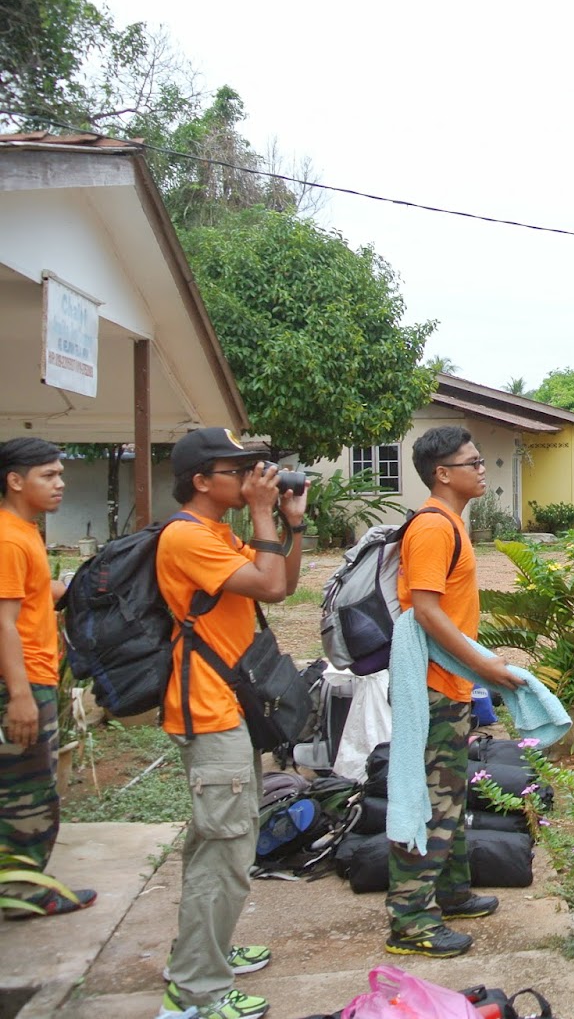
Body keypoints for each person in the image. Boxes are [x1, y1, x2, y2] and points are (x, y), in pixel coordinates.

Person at [156, 428, 305, 1019]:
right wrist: (265, 513)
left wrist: (287, 523)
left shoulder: (217, 533)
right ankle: (195, 991)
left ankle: (201, 955)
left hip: (229, 710)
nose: (252, 479)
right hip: (210, 711)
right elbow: (269, 581)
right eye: (237, 470)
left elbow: (283, 586)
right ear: (201, 481)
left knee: (216, 847)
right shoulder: (186, 537)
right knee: (226, 852)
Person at [387, 425, 526, 959]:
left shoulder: (451, 524)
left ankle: (450, 892)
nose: (482, 468)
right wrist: (486, 664)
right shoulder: (432, 529)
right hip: (433, 686)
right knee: (433, 799)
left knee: (452, 793)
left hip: (450, 683)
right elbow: (425, 611)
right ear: (443, 474)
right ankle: (411, 922)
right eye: (472, 463)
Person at [0, 439, 94, 919]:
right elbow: (4, 621)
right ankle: (23, 895)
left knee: (27, 790)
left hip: (32, 680)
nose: (60, 484)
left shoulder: (24, 533)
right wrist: (20, 696)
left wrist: (85, 586)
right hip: (23, 684)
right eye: (49, 475)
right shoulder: (9, 539)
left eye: (60, 474)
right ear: (16, 481)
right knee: (28, 796)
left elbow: (38, 591)